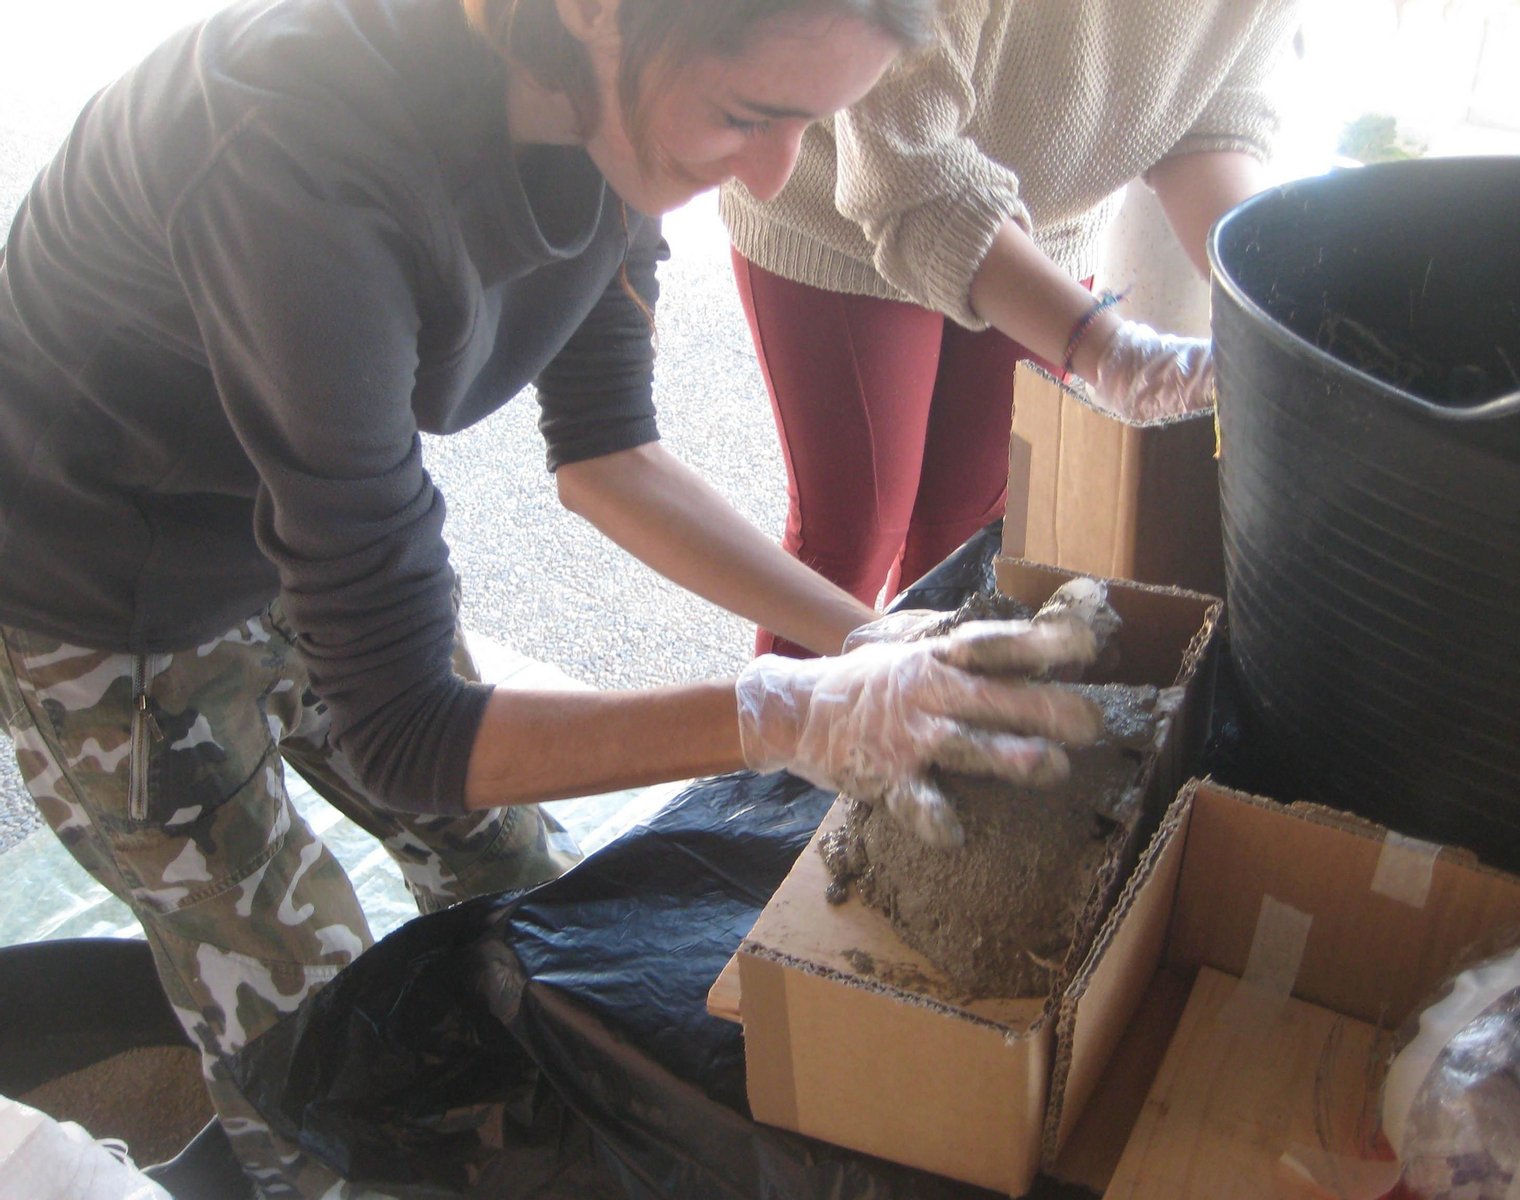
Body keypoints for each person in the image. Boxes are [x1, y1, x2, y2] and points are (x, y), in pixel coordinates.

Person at [0, 0, 1107, 1194]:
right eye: (749, 114)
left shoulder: (602, 113)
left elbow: (609, 459)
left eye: (811, 125)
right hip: (93, 588)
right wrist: (785, 715)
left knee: (519, 868)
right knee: (307, 1008)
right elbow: (407, 730)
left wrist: (866, 639)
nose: (773, 170)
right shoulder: (295, 169)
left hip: (289, 527)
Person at [722, 0, 1302, 656]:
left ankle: (915, 741)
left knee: (969, 545)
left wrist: (1281, 324)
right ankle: (792, 741)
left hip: (1045, 233)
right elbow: (905, 164)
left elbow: (1213, 117)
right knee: (852, 537)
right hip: (844, 208)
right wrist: (1116, 354)